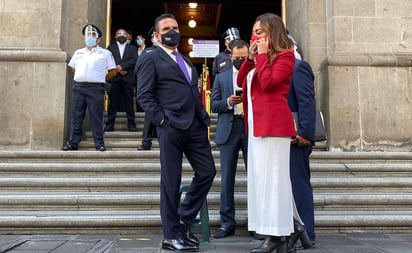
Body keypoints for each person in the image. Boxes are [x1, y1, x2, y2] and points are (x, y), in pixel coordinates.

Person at [135, 14, 216, 252]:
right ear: (157, 36)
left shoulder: (186, 61)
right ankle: (171, 235)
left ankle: (181, 221)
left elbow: (192, 92)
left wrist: (204, 118)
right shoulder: (150, 58)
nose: (172, 31)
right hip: (170, 126)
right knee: (171, 181)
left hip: (194, 127)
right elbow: (144, 95)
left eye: (175, 27)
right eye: (167, 28)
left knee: (207, 172)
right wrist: (161, 120)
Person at [237, 13, 296, 253]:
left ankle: (277, 235)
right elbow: (242, 81)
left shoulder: (286, 56)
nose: (255, 37)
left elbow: (271, 84)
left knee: (273, 182)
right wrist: (251, 59)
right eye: (253, 33)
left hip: (274, 127)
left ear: (272, 32)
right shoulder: (260, 58)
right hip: (257, 127)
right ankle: (281, 232)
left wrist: (261, 57)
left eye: (259, 32)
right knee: (261, 181)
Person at [211, 39, 249, 239]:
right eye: (237, 58)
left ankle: (258, 221)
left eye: (244, 58)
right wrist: (228, 102)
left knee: (256, 178)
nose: (240, 61)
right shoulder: (221, 78)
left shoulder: (254, 74)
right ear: (230, 56)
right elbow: (213, 105)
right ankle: (227, 223)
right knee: (227, 179)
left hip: (250, 129)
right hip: (228, 128)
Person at [63, 24, 117, 152]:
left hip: (96, 89)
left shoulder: (105, 53)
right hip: (79, 88)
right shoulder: (78, 52)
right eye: (88, 35)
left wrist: (100, 79)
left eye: (93, 35)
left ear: (98, 39)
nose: (90, 37)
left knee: (97, 117)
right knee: (76, 116)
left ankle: (99, 143)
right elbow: (73, 68)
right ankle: (73, 143)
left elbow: (113, 71)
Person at [288, 58, 317, 246]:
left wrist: (305, 133)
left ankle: (306, 234)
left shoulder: (298, 67)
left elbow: (307, 100)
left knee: (299, 185)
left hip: (297, 138)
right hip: (279, 137)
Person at [105, 28, 138, 132]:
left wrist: (122, 67)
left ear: (127, 36)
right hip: (115, 78)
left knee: (129, 103)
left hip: (128, 78)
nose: (121, 35)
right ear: (115, 37)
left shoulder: (132, 48)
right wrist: (118, 69)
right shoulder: (110, 47)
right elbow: (107, 60)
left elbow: (134, 60)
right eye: (118, 33)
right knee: (113, 103)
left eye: (123, 33)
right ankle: (110, 125)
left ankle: (131, 124)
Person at [136, 27, 158, 151]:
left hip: (165, 89)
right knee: (150, 115)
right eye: (155, 36)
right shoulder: (147, 52)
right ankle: (146, 141)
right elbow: (139, 69)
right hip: (151, 88)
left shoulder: (170, 52)